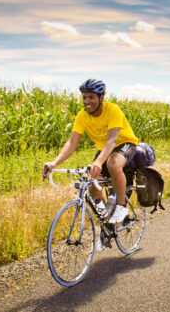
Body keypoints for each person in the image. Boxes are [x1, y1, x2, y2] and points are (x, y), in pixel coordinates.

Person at [43, 79, 138, 227]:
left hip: (124, 144)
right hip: (104, 150)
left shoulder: (112, 110)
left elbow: (112, 140)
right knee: (93, 186)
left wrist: (99, 162)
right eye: (84, 97)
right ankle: (108, 224)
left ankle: (121, 207)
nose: (87, 101)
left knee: (113, 163)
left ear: (101, 98)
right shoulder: (82, 116)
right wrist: (55, 163)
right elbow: (72, 142)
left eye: (91, 97)